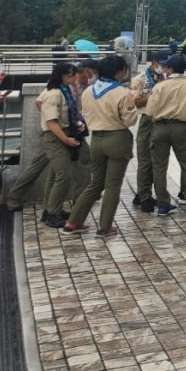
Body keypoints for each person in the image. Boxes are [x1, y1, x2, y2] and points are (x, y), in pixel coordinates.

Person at [63, 53, 137, 239]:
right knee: (112, 185)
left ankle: (73, 221)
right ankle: (105, 227)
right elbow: (129, 121)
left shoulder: (89, 91)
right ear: (119, 72)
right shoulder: (122, 93)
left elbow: (84, 113)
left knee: (95, 183)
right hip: (117, 138)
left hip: (96, 139)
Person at [146, 54, 186, 214]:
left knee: (159, 167)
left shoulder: (159, 87)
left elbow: (149, 111)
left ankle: (163, 204)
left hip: (160, 128)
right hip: (182, 128)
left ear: (170, 69)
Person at [37, 62, 89, 228]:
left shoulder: (63, 91)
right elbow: (51, 122)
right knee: (63, 175)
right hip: (55, 138)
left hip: (64, 133)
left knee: (55, 175)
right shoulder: (54, 93)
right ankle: (53, 213)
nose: (75, 78)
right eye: (73, 75)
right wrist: (66, 139)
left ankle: (51, 209)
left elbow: (39, 103)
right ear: (65, 76)